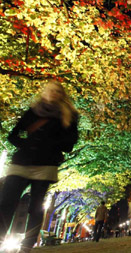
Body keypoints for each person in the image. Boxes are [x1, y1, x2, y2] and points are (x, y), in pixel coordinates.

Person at [0, 81, 79, 252]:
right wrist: (26, 145)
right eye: (50, 90)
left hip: (46, 165)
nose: (53, 93)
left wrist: (51, 144)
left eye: (57, 91)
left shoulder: (68, 116)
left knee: (35, 207)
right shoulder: (33, 111)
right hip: (22, 162)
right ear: (44, 92)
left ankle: (26, 246)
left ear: (62, 95)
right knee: (6, 201)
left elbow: (70, 143)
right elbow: (13, 135)